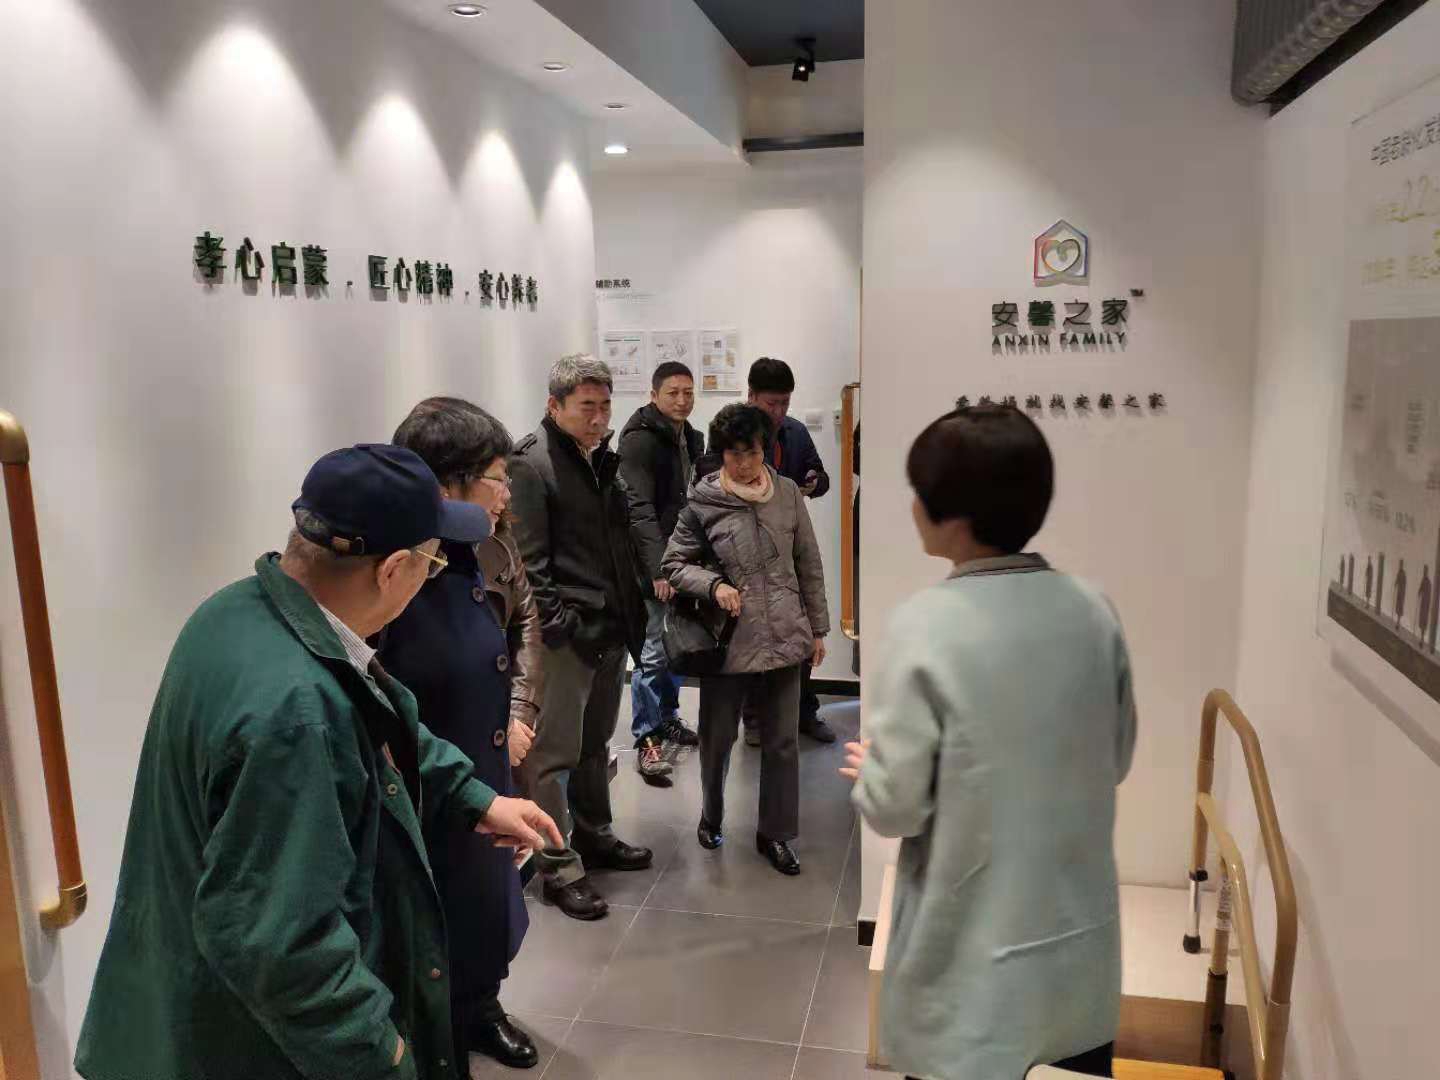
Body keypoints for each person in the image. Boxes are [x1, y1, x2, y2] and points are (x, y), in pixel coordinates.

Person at [75, 444, 563, 1080]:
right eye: (433, 561)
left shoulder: (237, 613)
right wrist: (386, 1058)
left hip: (169, 1009)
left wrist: (477, 798)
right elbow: (284, 951)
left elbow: (379, 717)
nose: (431, 577)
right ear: (394, 570)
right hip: (238, 1049)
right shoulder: (296, 715)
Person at [840, 406, 1137, 1080]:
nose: (912, 505)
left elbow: (895, 807)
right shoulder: (1093, 610)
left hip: (970, 981)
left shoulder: (924, 625)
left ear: (954, 516)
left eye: (919, 490)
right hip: (1075, 969)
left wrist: (873, 774)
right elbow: (1115, 758)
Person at [381, 399, 543, 1069]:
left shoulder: (488, 542)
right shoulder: (396, 566)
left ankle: (480, 1006)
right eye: (497, 479)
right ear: (449, 483)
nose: (506, 495)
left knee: (485, 900)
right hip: (427, 778)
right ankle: (437, 1029)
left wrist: (518, 712)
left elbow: (524, 620)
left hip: (487, 754)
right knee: (433, 913)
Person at [509, 354, 653, 921]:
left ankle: (595, 835)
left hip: (608, 627)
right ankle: (558, 868)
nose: (598, 418)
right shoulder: (531, 464)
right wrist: (562, 627)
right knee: (552, 757)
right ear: (555, 405)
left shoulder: (598, 459)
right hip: (566, 639)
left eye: (605, 406)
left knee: (595, 745)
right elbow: (530, 565)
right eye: (586, 407)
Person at [662, 404, 829, 876]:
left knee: (782, 743)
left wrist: (818, 629)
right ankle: (711, 814)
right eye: (734, 454)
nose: (744, 464)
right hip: (728, 642)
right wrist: (714, 585)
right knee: (717, 740)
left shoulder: (787, 493)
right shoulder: (703, 501)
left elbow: (808, 563)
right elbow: (673, 565)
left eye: (752, 452)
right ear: (721, 454)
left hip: (786, 635)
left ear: (765, 451)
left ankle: (775, 833)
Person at [619, 360, 706, 784]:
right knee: (653, 651)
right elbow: (639, 510)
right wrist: (658, 570)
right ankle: (647, 738)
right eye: (673, 392)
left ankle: (668, 717)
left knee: (677, 644)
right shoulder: (639, 441)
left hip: (684, 559)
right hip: (656, 564)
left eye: (688, 392)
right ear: (654, 395)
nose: (682, 400)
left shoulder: (690, 436)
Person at [744, 356, 834, 744]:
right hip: (748, 549)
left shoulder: (794, 432)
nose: (779, 412)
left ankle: (803, 711)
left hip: (791, 544)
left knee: (800, 633)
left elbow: (822, 476)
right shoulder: (734, 434)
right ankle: (754, 718)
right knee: (753, 636)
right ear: (751, 396)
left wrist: (814, 481)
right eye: (771, 403)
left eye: (785, 402)